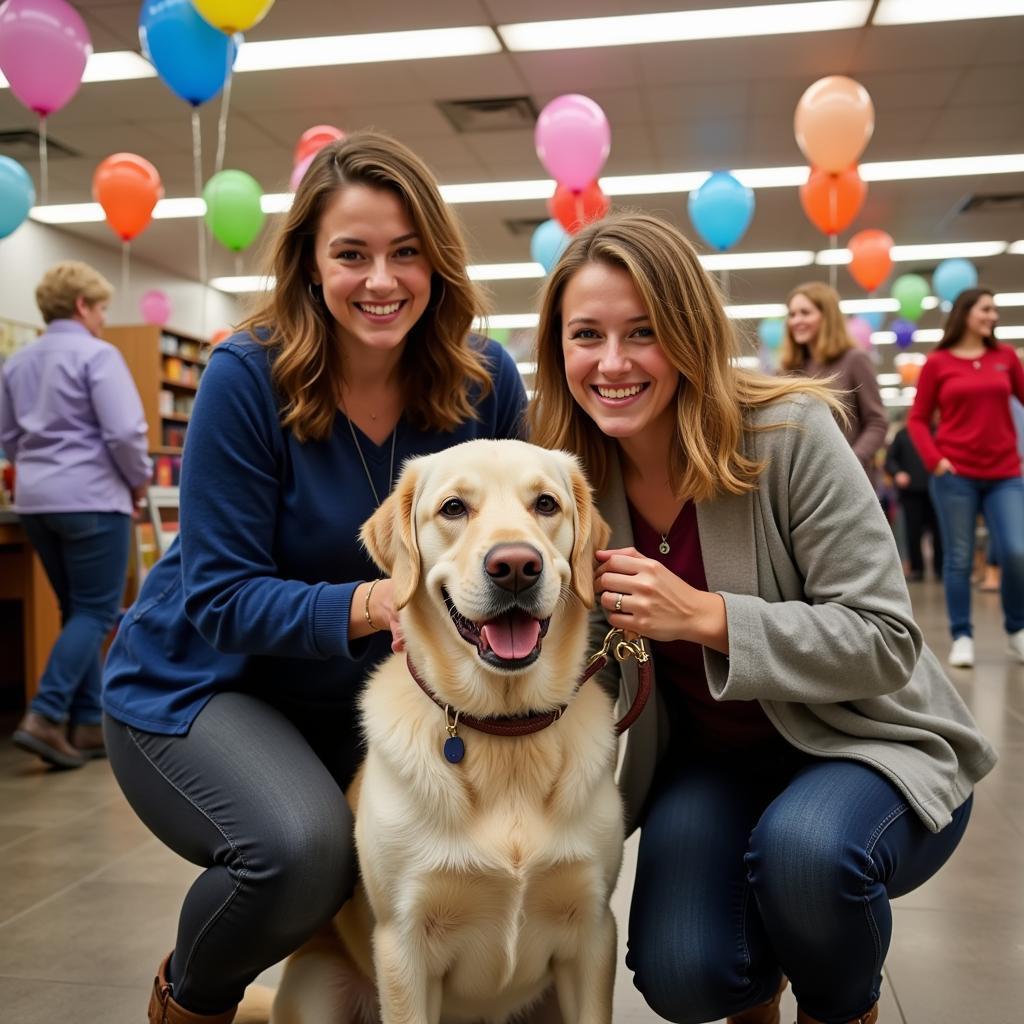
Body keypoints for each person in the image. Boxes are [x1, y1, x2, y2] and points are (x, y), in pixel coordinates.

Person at [100, 132, 528, 1023]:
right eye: (352, 254)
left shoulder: (485, 381)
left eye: (406, 252)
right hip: (204, 683)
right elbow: (219, 597)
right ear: (309, 264)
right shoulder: (244, 376)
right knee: (302, 851)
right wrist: (379, 602)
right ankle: (191, 999)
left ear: (438, 262)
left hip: (376, 700)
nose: (382, 280)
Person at [529, 213, 995, 1024]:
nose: (612, 362)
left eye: (643, 332)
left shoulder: (788, 435)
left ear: (689, 332)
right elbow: (599, 659)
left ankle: (839, 1006)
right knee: (681, 974)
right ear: (557, 348)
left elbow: (885, 640)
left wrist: (710, 617)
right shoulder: (570, 480)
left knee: (806, 857)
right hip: (713, 762)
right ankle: (762, 980)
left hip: (866, 742)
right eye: (585, 335)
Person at [0, 261, 151, 770]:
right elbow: (125, 434)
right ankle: (45, 715)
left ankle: (89, 724)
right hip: (92, 499)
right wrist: (138, 481)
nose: (105, 319)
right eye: (103, 308)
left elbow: (7, 436)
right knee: (96, 611)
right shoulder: (98, 356)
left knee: (76, 611)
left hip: (36, 503)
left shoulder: (17, 362)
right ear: (83, 306)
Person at [908, 287, 1024, 669]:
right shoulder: (938, 363)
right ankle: (962, 635)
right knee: (958, 558)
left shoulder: (1005, 357)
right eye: (986, 309)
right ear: (966, 313)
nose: (993, 315)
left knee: (1016, 551)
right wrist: (935, 460)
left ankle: (1017, 629)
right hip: (955, 475)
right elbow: (918, 419)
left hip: (1006, 473)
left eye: (995, 309)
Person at [780, 281, 887, 476]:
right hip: (802, 478)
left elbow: (877, 422)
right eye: (792, 314)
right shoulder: (788, 370)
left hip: (846, 478)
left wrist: (853, 460)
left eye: (805, 312)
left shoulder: (855, 359)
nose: (796, 320)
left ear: (827, 316)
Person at [884, 416, 942, 582]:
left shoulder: (939, 432)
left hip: (937, 490)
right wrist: (898, 473)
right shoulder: (903, 435)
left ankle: (940, 569)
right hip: (911, 492)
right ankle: (917, 569)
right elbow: (890, 460)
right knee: (912, 532)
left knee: (939, 532)